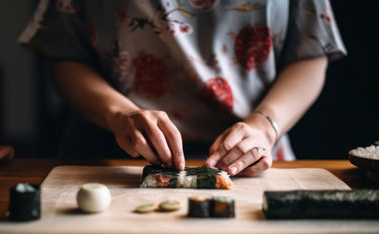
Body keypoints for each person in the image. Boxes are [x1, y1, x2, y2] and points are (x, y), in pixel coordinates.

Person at [19, 0, 346, 176]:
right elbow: (63, 55)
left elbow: (311, 53)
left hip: (253, 156)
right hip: (108, 153)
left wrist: (265, 125)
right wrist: (121, 115)